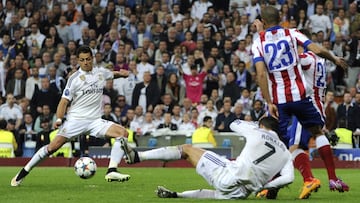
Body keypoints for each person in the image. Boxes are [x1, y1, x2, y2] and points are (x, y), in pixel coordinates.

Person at [252, 6, 349, 198]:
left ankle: (276, 184)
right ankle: (329, 177)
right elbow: (317, 49)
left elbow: (261, 73)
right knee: (316, 132)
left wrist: (269, 101)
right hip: (301, 97)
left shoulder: (258, 42)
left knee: (282, 144)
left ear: (263, 21)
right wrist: (334, 58)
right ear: (281, 18)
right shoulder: (291, 32)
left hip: (279, 100)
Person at [11, 46, 131, 187]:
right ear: (78, 61)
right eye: (82, 60)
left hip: (95, 121)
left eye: (88, 59)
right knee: (52, 148)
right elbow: (64, 101)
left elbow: (111, 74)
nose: (85, 62)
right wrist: (60, 119)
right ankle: (23, 173)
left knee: (123, 133)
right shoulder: (74, 79)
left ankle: (111, 170)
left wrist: (121, 74)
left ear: (92, 59)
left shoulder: (100, 72)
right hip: (76, 121)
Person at [119, 117, 294, 200]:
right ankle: (176, 195)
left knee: (187, 149)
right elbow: (289, 178)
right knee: (218, 194)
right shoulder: (286, 152)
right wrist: (264, 186)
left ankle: (137, 156)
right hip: (243, 193)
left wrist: (253, 124)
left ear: (262, 126)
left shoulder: (257, 130)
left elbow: (232, 123)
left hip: (230, 174)